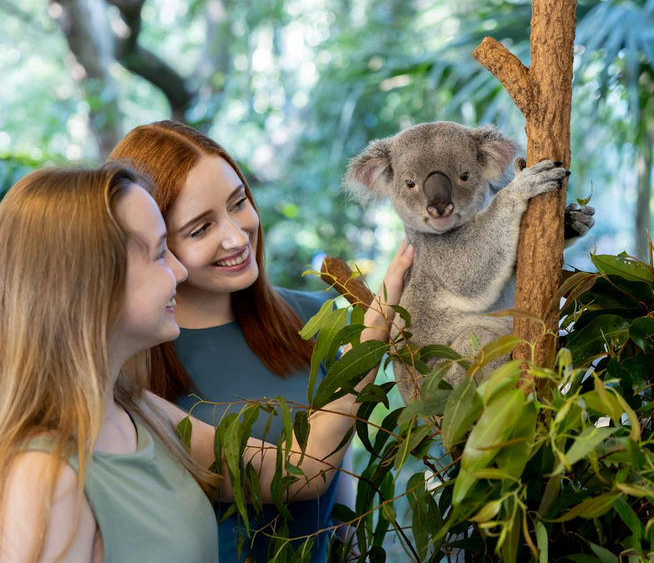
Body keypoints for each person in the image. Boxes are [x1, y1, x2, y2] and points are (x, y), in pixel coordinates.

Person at [0, 163, 413, 562]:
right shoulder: (44, 476)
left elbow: (301, 470)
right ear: (92, 286)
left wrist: (371, 336)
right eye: (159, 254)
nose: (178, 270)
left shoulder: (138, 409)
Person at [108, 120, 392, 562]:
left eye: (238, 202)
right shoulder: (127, 371)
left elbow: (340, 488)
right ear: (153, 243)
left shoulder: (313, 317)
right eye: (200, 228)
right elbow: (304, 472)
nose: (237, 236)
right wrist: (365, 354)